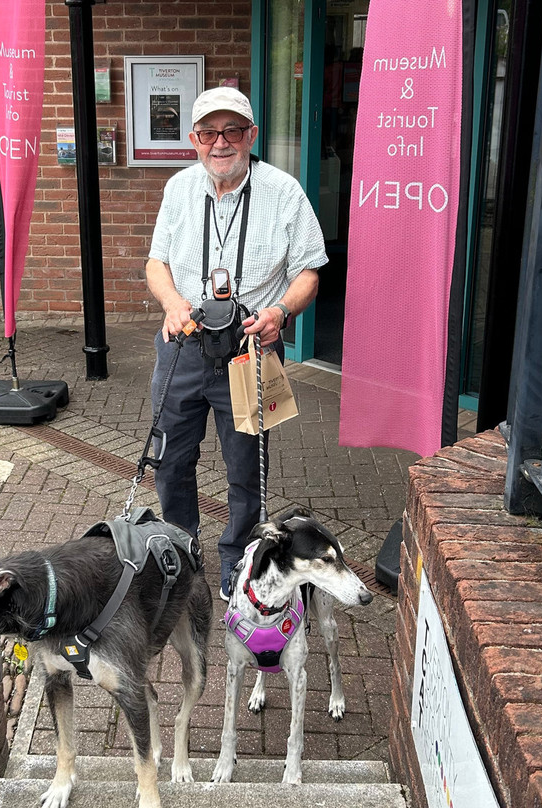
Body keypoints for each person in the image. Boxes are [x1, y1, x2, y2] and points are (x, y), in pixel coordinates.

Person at [145, 86, 327, 600]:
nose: (219, 143)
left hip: (250, 352)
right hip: (182, 345)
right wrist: (172, 303)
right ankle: (179, 551)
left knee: (247, 468)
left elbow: (309, 269)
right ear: (193, 140)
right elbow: (156, 264)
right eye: (208, 133)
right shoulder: (178, 189)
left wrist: (281, 312)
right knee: (171, 461)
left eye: (231, 131)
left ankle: (239, 560)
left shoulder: (285, 192)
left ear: (251, 135)